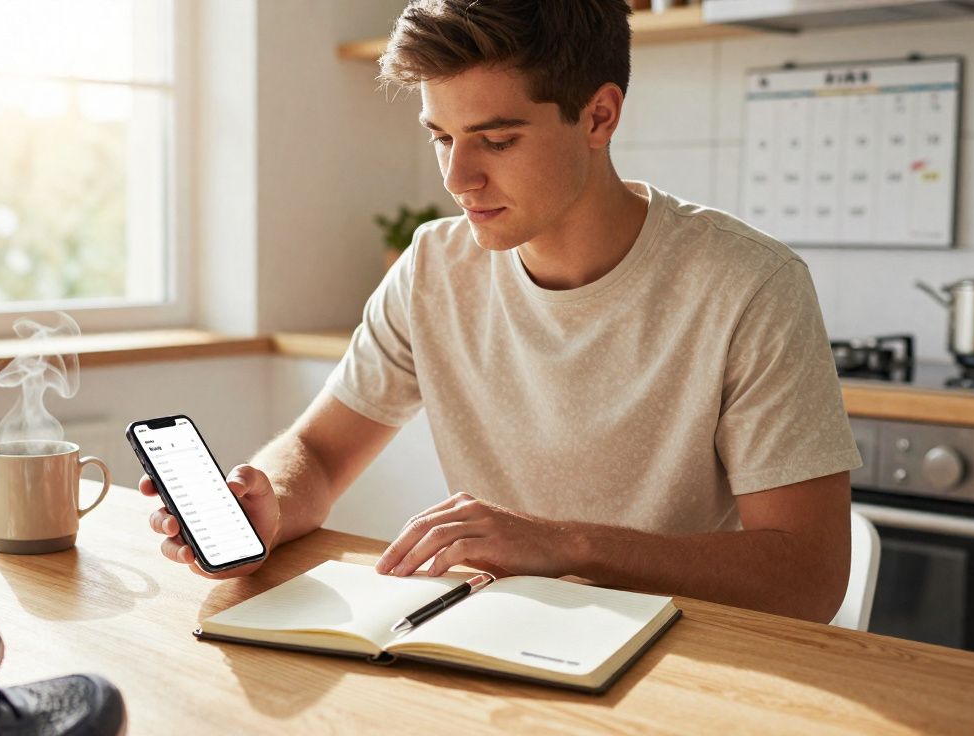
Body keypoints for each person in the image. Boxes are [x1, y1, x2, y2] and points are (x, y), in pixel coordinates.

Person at [141, 0, 862, 623]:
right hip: (501, 639)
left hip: (683, 656)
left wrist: (567, 545)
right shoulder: (432, 267)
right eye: (441, 137)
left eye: (496, 140)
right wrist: (268, 503)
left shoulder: (750, 286)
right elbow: (321, 455)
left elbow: (809, 576)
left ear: (599, 116)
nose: (458, 178)